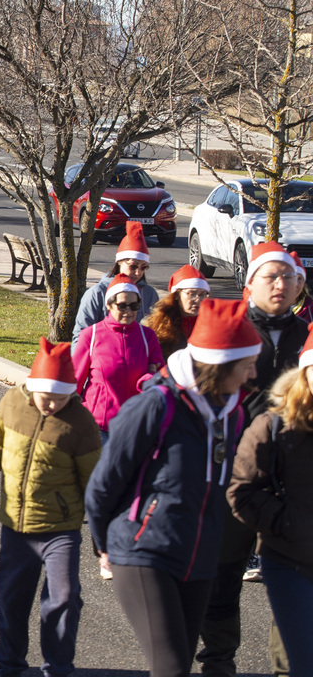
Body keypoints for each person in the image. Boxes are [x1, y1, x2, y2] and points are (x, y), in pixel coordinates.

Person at [86, 298, 260, 677]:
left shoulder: (233, 414)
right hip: (144, 549)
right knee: (172, 669)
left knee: (175, 660)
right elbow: (103, 484)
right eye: (247, 364)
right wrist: (104, 547)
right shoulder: (156, 405)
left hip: (198, 559)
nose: (252, 375)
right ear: (220, 364)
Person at [199, 241, 305, 676]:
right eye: (270, 276)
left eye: (288, 277)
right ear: (250, 283)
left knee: (294, 580)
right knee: (222, 578)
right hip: (233, 479)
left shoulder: (307, 336)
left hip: (294, 485)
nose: (280, 285)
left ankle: (289, 665)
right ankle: (218, 661)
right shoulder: (232, 332)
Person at [0, 338, 102, 677]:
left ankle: (58, 666)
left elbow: (95, 483)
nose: (51, 404)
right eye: (46, 396)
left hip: (61, 530)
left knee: (63, 598)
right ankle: (9, 664)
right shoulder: (11, 404)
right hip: (16, 528)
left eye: (61, 398)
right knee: (11, 598)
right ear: (33, 386)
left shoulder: (80, 423)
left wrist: (102, 538)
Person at [228, 340, 313, 676]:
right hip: (290, 561)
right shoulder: (273, 426)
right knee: (300, 663)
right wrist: (288, 522)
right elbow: (242, 492)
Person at [74, 274, 165, 447]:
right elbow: (75, 382)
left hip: (135, 426)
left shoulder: (148, 337)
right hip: (98, 427)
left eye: (134, 305)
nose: (129, 311)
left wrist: (149, 377)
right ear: (109, 305)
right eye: (122, 306)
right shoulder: (91, 336)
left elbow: (160, 377)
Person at [71, 221, 159, 342]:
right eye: (133, 266)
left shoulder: (150, 294)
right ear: (119, 262)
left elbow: (156, 336)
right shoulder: (96, 293)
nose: (138, 273)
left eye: (143, 267)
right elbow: (80, 337)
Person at [143, 264, 210, 360]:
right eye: (192, 293)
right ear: (177, 295)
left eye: (202, 294)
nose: (198, 299)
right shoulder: (155, 325)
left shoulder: (212, 324)